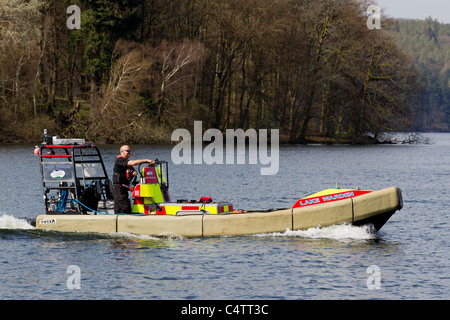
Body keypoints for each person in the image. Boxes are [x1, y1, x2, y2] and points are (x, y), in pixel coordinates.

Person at [112, 145, 155, 214]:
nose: (129, 153)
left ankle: (117, 219)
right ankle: (126, 220)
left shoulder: (127, 164)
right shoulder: (120, 160)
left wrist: (134, 174)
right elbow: (133, 163)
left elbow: (132, 171)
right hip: (118, 188)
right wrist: (145, 160)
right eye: (127, 151)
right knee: (126, 207)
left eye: (130, 151)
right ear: (122, 152)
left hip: (123, 188)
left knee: (119, 207)